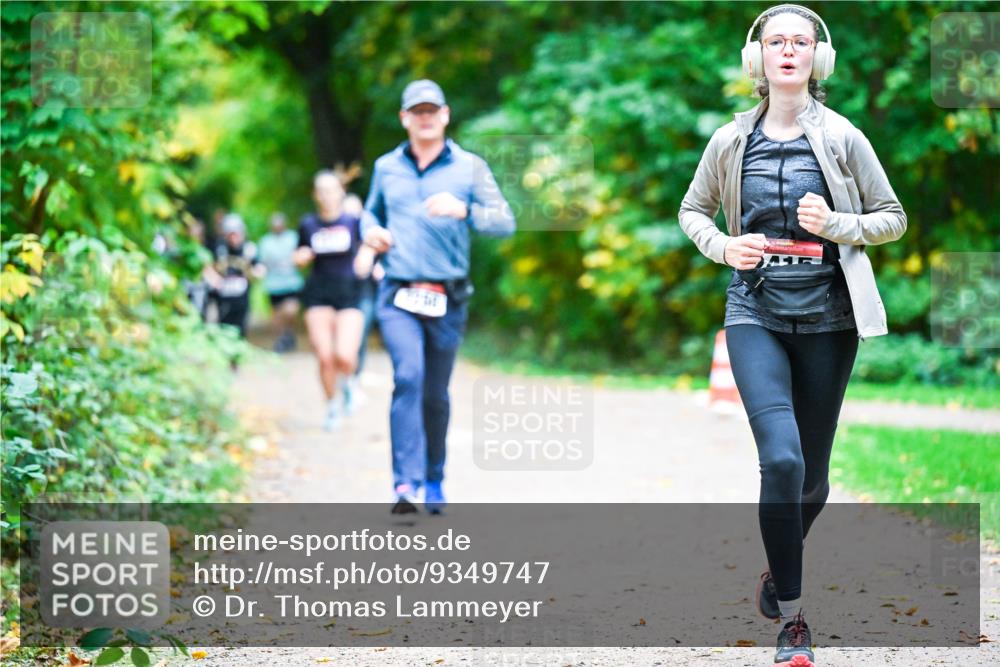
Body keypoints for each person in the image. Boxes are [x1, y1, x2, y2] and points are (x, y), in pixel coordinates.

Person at [677, 5, 906, 666]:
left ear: (816, 57)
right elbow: (694, 210)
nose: (787, 52)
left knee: (813, 481)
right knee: (782, 460)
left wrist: (837, 222)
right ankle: (795, 620)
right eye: (775, 41)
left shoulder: (842, 138)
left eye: (799, 42)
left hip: (831, 322)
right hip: (756, 313)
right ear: (759, 59)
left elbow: (892, 218)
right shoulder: (728, 141)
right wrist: (724, 247)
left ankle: (778, 575)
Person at [359, 79, 516, 515]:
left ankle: (434, 478)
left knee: (434, 393)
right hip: (398, 292)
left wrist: (464, 210)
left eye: (432, 110)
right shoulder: (386, 167)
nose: (425, 117)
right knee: (407, 376)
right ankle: (403, 484)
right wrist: (370, 231)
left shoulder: (469, 167)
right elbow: (371, 210)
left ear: (445, 115)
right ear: (404, 118)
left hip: (448, 297)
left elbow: (504, 222)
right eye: (417, 111)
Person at [295, 171, 366, 431]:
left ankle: (348, 384)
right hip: (318, 294)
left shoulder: (353, 221)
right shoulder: (308, 224)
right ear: (315, 195)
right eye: (321, 190)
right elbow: (300, 251)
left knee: (344, 355)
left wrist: (367, 261)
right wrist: (301, 256)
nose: (326, 195)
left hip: (349, 292)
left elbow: (368, 248)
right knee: (325, 356)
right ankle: (332, 405)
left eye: (331, 189)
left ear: (341, 192)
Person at [204, 213, 264, 341]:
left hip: (242, 298)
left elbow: (259, 268)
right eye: (230, 234)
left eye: (236, 234)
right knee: (222, 329)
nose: (233, 238)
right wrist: (214, 279)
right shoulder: (218, 248)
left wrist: (255, 273)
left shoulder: (249, 249)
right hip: (222, 298)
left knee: (241, 328)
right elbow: (206, 267)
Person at [258, 212, 304, 352]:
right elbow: (262, 262)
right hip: (273, 285)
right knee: (277, 315)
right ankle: (282, 339)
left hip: (292, 283)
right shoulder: (265, 242)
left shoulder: (293, 238)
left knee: (291, 311)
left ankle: (288, 332)